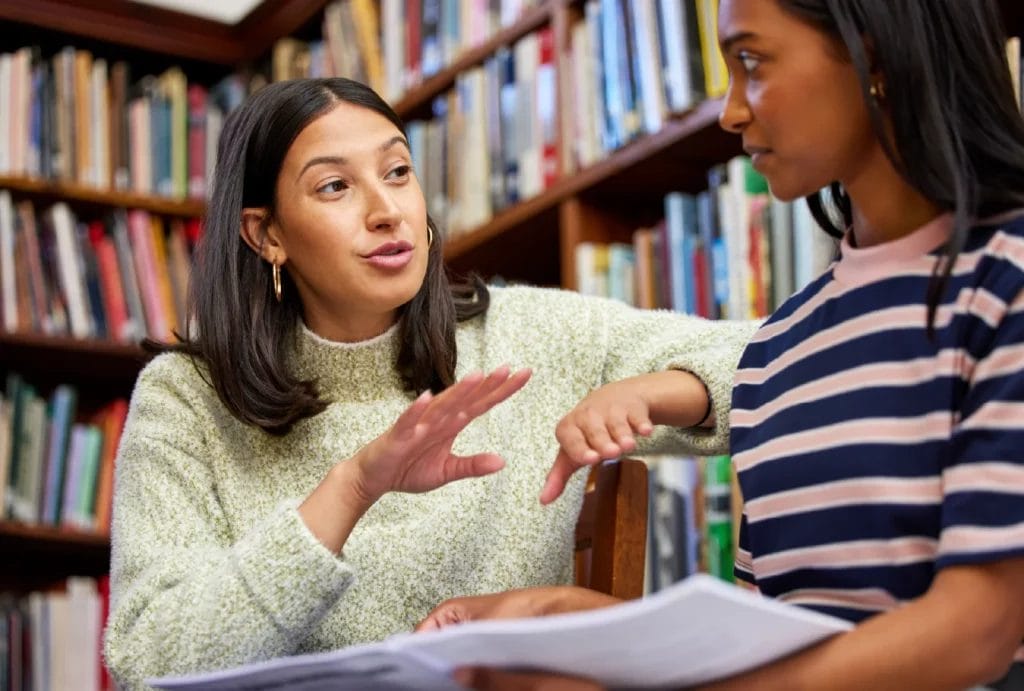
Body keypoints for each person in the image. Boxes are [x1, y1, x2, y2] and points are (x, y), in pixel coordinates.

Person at [421, 0, 1024, 689]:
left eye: (751, 62)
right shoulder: (776, 351)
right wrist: (556, 615)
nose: (730, 111)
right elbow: (778, 631)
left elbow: (979, 627)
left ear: (876, 55)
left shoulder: (1007, 283)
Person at [101, 77, 755, 689]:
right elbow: (149, 660)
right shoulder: (186, 398)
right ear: (266, 234)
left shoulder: (528, 335)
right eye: (335, 187)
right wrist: (352, 488)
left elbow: (783, 361)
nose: (387, 211)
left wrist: (668, 390)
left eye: (398, 172)